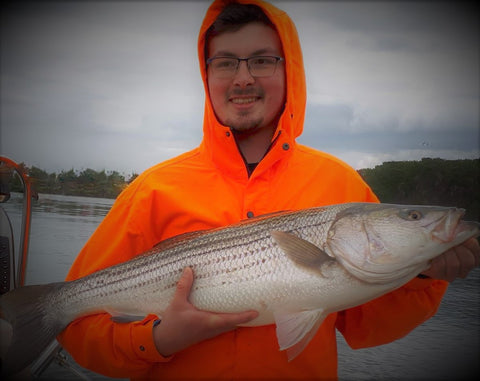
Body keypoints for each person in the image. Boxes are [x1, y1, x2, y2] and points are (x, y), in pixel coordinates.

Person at [58, 0, 480, 379]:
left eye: (262, 60)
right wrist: (159, 339)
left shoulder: (340, 183)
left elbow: (368, 326)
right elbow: (76, 332)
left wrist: (422, 274)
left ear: (288, 71)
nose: (242, 78)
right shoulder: (152, 189)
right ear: (206, 75)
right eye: (225, 63)